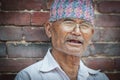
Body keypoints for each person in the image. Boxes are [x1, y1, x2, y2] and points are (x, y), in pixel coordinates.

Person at [15, 0, 109, 80]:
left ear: (91, 33)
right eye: (69, 23)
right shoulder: (29, 77)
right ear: (49, 29)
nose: (77, 32)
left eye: (84, 25)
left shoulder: (100, 78)